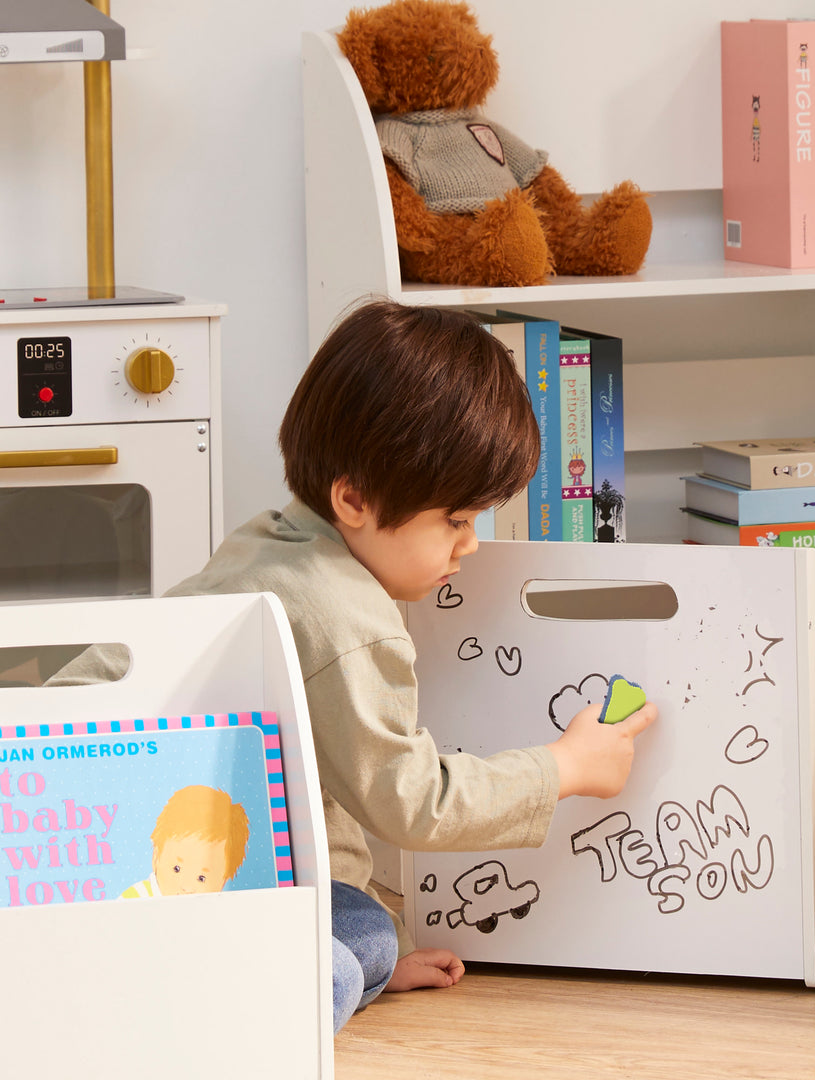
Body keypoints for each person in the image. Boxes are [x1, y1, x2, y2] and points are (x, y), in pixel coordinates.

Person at [52, 299, 657, 1033]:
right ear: (355, 499)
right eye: (457, 521)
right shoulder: (346, 621)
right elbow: (409, 799)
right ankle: (199, 1024)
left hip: (119, 818)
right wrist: (564, 767)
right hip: (107, 857)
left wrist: (387, 953)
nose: (467, 548)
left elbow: (321, 787)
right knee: (336, 966)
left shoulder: (278, 541)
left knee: (366, 933)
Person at [120, 784, 251, 898]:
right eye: (176, 869)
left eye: (201, 878)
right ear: (156, 858)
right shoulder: (137, 898)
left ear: (222, 882)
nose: (187, 888)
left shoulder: (215, 908)